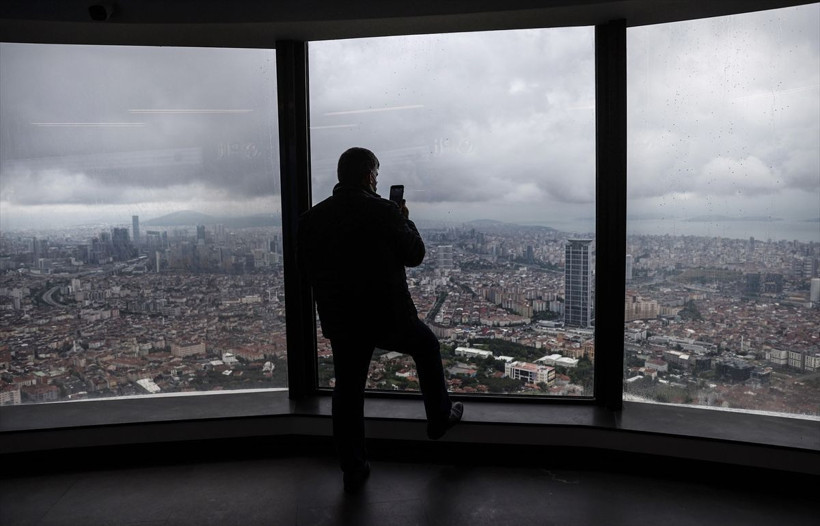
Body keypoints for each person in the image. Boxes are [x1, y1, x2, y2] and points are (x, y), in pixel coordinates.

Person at [298, 147, 463, 493]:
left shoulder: (311, 219)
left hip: (342, 319)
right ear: (366, 175)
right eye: (376, 173)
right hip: (387, 315)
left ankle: (352, 467)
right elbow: (415, 255)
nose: (377, 179)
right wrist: (403, 217)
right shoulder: (384, 210)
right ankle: (438, 418)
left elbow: (308, 269)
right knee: (427, 345)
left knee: (348, 389)